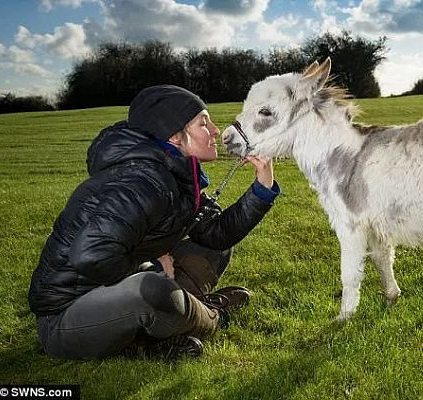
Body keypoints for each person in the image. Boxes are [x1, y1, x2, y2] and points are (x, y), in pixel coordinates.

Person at [28, 85, 280, 360]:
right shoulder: (139, 182)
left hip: (111, 288)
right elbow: (90, 256)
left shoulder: (175, 171)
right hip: (67, 318)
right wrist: (153, 264)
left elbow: (215, 235)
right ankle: (211, 315)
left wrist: (262, 186)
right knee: (152, 289)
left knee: (212, 249)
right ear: (174, 136)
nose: (216, 131)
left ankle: (176, 317)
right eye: (203, 123)